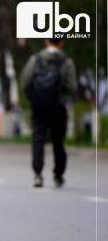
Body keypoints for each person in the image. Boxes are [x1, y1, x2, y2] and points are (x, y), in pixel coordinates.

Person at [21, 36, 77, 188]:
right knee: (58, 142)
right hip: (58, 109)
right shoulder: (66, 62)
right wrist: (62, 95)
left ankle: (38, 174)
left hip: (39, 110)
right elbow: (72, 86)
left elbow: (25, 82)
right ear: (61, 43)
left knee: (38, 140)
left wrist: (33, 98)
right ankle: (58, 175)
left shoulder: (35, 60)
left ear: (46, 42)